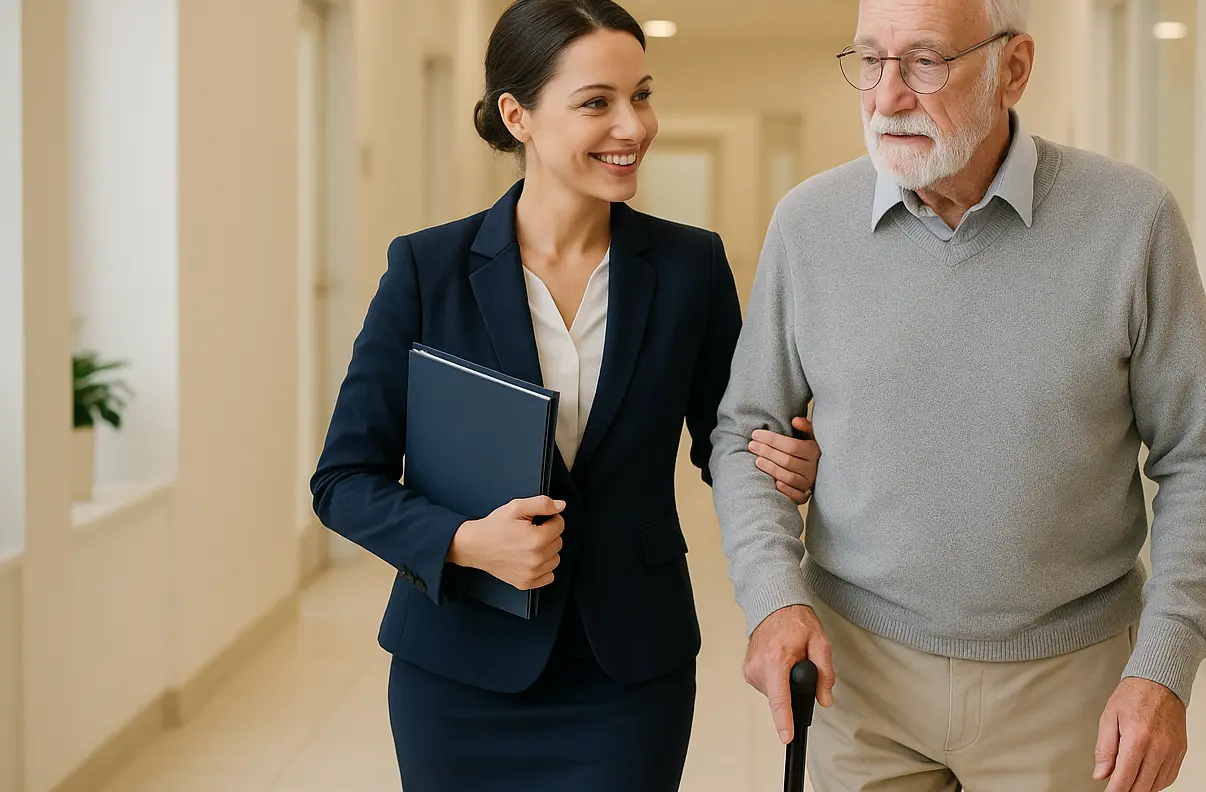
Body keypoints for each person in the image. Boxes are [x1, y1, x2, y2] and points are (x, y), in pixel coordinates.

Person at [710, 0, 1206, 790]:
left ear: (1013, 67)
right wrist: (773, 599)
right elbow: (743, 434)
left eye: (924, 61)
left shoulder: (1133, 222)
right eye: (870, 60)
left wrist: (1164, 666)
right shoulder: (810, 226)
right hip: (858, 678)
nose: (887, 95)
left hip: (1070, 687)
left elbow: (1197, 461)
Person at [309, 1, 822, 789]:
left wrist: (788, 460)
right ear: (518, 116)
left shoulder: (689, 269)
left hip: (627, 675)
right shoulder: (427, 270)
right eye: (597, 103)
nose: (634, 126)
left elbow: (730, 442)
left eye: (641, 95)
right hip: (457, 673)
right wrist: (464, 542)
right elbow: (344, 480)